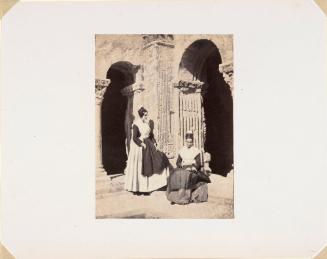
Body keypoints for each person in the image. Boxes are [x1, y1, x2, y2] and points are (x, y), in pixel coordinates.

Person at [124, 106, 170, 195]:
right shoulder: (136, 124)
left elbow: (151, 135)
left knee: (160, 158)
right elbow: (134, 138)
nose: (146, 117)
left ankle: (150, 186)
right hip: (139, 147)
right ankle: (138, 188)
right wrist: (141, 144)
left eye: (146, 115)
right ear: (141, 115)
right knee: (141, 166)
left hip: (148, 144)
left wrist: (155, 143)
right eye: (145, 115)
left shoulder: (146, 124)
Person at [166, 131, 211, 205]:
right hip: (184, 168)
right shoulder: (182, 150)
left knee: (186, 177)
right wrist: (182, 166)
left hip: (192, 169)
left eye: (190, 142)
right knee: (174, 176)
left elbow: (198, 163)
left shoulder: (196, 151)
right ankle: (175, 197)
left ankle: (183, 197)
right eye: (187, 142)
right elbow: (178, 162)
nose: (189, 144)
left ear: (192, 142)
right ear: (185, 141)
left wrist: (194, 167)